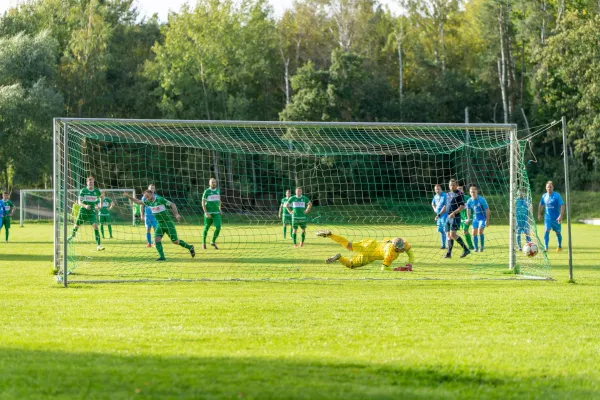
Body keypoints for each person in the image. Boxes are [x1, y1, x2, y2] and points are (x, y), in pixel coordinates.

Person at [124, 190, 195, 261]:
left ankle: (190, 247)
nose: (147, 198)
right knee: (156, 239)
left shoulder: (160, 199)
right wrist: (129, 197)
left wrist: (176, 214)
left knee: (175, 241)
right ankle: (162, 257)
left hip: (168, 223)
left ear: (152, 194)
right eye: (146, 197)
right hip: (159, 224)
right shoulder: (148, 202)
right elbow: (138, 202)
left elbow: (172, 204)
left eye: (147, 196)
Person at [316, 230, 414, 271]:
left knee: (349, 245)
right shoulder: (390, 253)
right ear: (395, 247)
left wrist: (410, 263)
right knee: (351, 265)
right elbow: (384, 268)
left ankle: (330, 235)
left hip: (370, 243)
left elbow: (410, 254)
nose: (402, 250)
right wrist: (398, 269)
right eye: (400, 249)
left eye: (403, 248)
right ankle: (340, 257)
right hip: (369, 255)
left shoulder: (403, 243)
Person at [68, 176, 104, 251]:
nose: (91, 183)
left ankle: (98, 245)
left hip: (92, 212)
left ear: (94, 182)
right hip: (83, 212)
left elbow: (101, 197)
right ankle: (72, 236)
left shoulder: (97, 191)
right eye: (89, 182)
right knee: (76, 226)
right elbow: (79, 202)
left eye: (92, 182)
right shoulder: (83, 190)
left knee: (95, 227)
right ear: (87, 183)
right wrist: (85, 206)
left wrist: (101, 205)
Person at [437, 179, 470, 258]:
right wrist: (439, 214)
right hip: (448, 217)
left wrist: (454, 213)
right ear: (448, 185)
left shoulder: (459, 194)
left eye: (454, 185)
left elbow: (462, 206)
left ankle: (466, 249)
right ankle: (449, 254)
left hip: (455, 217)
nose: (452, 186)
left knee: (453, 234)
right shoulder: (447, 194)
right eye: (450, 185)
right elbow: (445, 206)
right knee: (448, 235)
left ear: (456, 185)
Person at [537, 181, 565, 252]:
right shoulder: (544, 196)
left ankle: (559, 246)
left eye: (550, 187)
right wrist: (539, 214)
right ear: (546, 188)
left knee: (558, 233)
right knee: (547, 230)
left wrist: (560, 216)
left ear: (553, 187)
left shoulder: (557, 195)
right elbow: (540, 205)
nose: (549, 188)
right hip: (547, 218)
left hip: (556, 218)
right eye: (547, 187)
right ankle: (546, 248)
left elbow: (562, 205)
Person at [465, 185, 490, 252]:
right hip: (475, 219)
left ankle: (482, 247)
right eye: (471, 192)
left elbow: (487, 209)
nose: (473, 193)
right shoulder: (469, 201)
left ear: (477, 192)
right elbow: (468, 210)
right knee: (473, 233)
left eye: (474, 192)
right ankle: (476, 248)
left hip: (482, 218)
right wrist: (468, 218)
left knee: (480, 230)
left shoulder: (481, 199)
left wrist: (487, 220)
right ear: (469, 193)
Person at [202, 178, 222, 250]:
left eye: (215, 182)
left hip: (216, 213)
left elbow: (219, 200)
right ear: (209, 183)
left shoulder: (217, 190)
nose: (214, 183)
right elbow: (203, 203)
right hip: (209, 213)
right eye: (212, 182)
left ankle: (212, 241)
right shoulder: (206, 191)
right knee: (206, 228)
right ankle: (203, 243)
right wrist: (206, 212)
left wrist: (220, 208)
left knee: (218, 227)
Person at [458, 185, 475, 250]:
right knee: (464, 231)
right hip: (461, 218)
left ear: (463, 190)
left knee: (465, 231)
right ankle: (470, 245)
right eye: (458, 189)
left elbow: (473, 207)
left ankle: (471, 246)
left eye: (461, 189)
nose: (459, 190)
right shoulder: (456, 199)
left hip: (468, 217)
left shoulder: (467, 198)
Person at [431, 184, 447, 249]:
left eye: (438, 189)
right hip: (439, 216)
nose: (437, 190)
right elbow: (432, 203)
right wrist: (435, 209)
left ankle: (448, 245)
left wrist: (439, 214)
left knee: (446, 230)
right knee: (441, 231)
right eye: (436, 189)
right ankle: (443, 245)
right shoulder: (435, 196)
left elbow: (445, 206)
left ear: (441, 189)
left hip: (445, 215)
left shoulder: (445, 195)